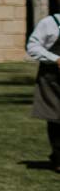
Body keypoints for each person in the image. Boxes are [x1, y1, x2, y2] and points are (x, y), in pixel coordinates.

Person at [26, 10, 60, 173]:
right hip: (52, 77)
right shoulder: (49, 23)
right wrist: (55, 59)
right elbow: (32, 47)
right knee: (55, 116)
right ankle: (58, 157)